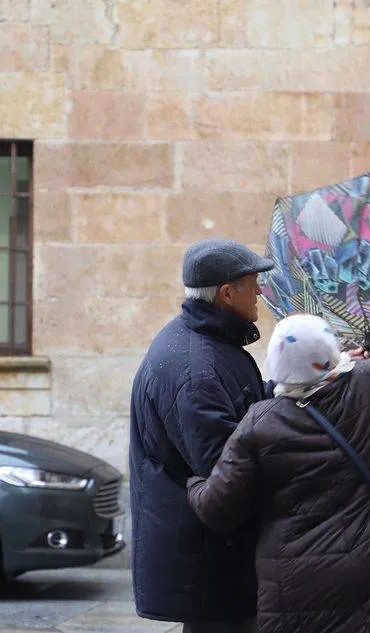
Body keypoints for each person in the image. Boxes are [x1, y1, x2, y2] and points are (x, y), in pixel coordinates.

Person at [186, 211, 370, 633]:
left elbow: (215, 508)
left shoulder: (259, 422)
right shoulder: (369, 388)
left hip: (296, 594)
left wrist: (191, 482)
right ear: (332, 356)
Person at [129, 239, 275, 633]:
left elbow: (245, 408)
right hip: (208, 563)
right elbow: (224, 473)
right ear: (228, 293)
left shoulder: (208, 345)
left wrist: (307, 384)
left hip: (214, 557)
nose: (260, 291)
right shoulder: (196, 369)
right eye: (252, 283)